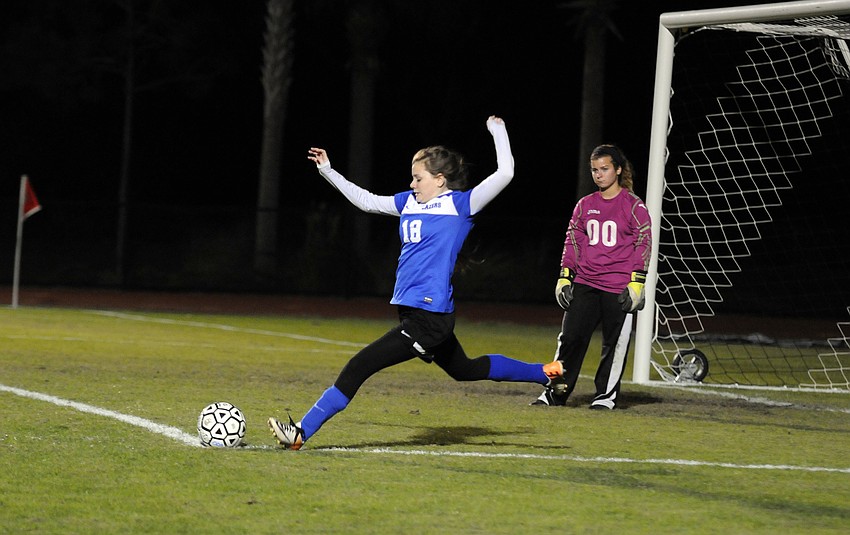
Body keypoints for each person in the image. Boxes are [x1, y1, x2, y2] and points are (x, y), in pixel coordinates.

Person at [268, 116, 565, 449]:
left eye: (418, 177)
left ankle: (300, 433)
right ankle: (546, 372)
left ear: (439, 179)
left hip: (429, 318)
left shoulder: (460, 204)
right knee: (464, 369)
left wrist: (497, 131)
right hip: (418, 314)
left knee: (359, 365)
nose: (412, 184)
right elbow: (366, 201)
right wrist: (328, 170)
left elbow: (506, 172)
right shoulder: (409, 202)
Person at [531, 144, 651, 410]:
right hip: (585, 283)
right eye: (594, 170)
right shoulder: (585, 205)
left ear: (617, 170)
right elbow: (572, 241)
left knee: (614, 345)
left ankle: (605, 397)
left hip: (618, 287)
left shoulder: (634, 206)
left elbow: (643, 242)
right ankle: (554, 393)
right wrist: (565, 276)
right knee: (569, 341)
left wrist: (637, 282)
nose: (598, 174)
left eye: (604, 169)